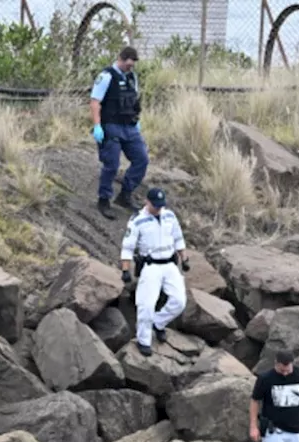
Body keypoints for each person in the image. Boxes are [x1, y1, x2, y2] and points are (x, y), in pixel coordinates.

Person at [119, 187, 188, 356]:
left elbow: (178, 238)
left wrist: (184, 259)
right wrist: (125, 270)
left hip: (169, 264)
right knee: (146, 304)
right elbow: (127, 247)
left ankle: (158, 323)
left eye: (160, 205)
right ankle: (143, 339)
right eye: (155, 205)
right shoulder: (137, 220)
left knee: (179, 301)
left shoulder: (169, 216)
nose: (158, 208)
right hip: (151, 266)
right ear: (147, 202)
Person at [90, 46, 148, 220]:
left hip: (129, 127)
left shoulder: (132, 78)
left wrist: (136, 123)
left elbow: (133, 101)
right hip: (111, 126)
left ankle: (125, 195)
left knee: (141, 159)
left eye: (133, 65)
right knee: (112, 164)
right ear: (121, 59)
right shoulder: (106, 76)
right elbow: (95, 102)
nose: (131, 67)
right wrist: (97, 126)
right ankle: (104, 200)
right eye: (129, 64)